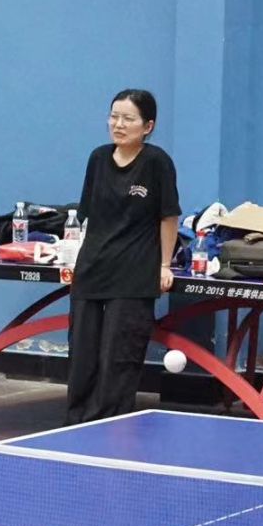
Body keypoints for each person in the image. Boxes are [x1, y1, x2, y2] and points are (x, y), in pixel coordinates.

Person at [65, 89, 181, 424]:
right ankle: (75, 424)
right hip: (92, 268)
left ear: (148, 126)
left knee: (118, 358)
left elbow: (168, 217)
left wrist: (164, 264)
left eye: (128, 118)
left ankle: (109, 426)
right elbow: (87, 216)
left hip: (134, 271)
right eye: (114, 117)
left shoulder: (157, 162)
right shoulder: (98, 158)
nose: (118, 124)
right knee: (82, 354)